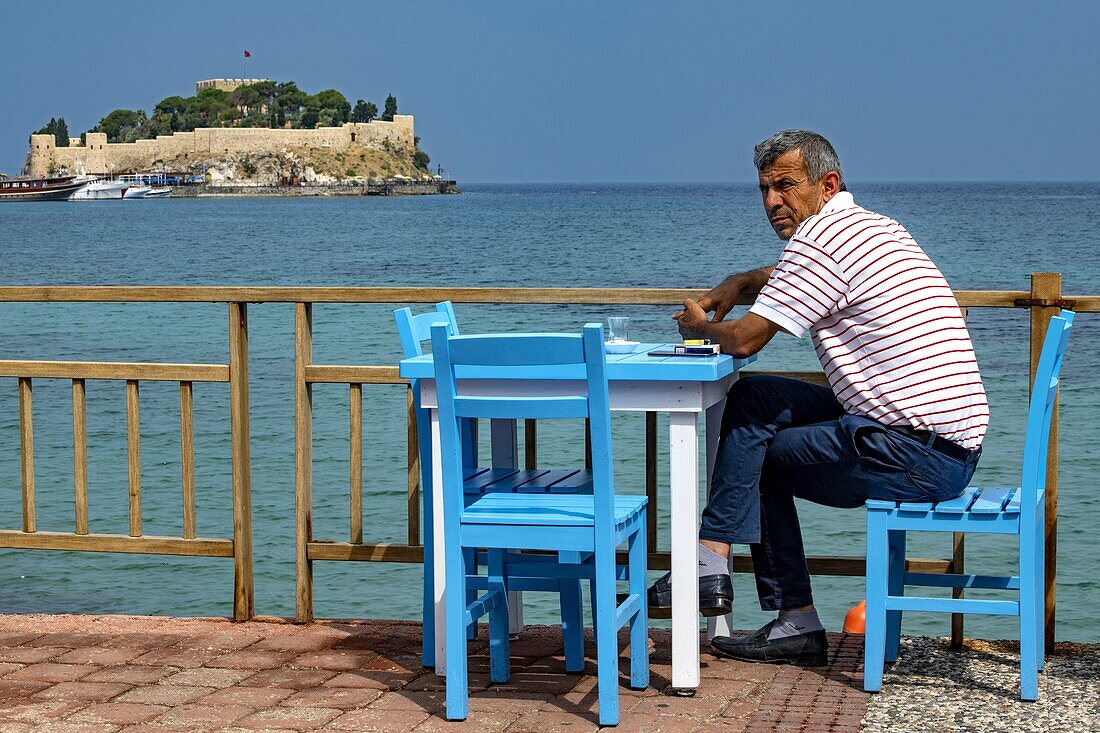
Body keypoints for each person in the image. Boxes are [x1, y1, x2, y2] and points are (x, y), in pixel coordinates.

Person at [646, 129, 988, 666]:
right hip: (932, 440)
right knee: (754, 397)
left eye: (785, 186)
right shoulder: (870, 227)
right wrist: (743, 279)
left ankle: (767, 603)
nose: (772, 201)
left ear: (826, 185)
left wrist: (699, 327)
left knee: (755, 460)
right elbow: (792, 278)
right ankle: (717, 566)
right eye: (763, 189)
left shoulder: (821, 243)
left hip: (917, 453)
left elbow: (745, 338)